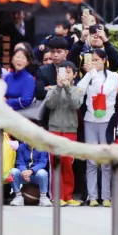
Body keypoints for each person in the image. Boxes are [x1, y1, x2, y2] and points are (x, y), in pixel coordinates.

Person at [77, 48, 118, 206]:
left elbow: (103, 91)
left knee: (106, 162)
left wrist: (92, 73)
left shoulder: (113, 76)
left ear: (104, 60)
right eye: (91, 60)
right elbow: (79, 91)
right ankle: (92, 196)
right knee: (92, 161)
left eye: (96, 60)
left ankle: (106, 196)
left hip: (107, 121)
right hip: (90, 120)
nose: (93, 63)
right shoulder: (90, 75)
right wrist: (88, 74)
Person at [45, 60, 84, 205]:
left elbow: (75, 104)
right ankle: (57, 196)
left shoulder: (78, 90)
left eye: (68, 72)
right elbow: (50, 104)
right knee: (56, 163)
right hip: (54, 129)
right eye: (62, 72)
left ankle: (68, 196)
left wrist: (67, 88)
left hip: (70, 130)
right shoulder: (52, 89)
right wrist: (58, 88)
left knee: (68, 163)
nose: (65, 75)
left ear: (74, 74)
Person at [9, 141, 51, 207]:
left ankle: (43, 197)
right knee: (13, 171)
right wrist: (24, 171)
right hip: (24, 175)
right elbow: (19, 162)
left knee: (42, 173)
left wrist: (31, 171)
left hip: (36, 175)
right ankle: (18, 197)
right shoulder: (21, 146)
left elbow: (42, 163)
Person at [3, 43, 36, 114]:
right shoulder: (8, 77)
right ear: (12, 60)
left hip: (20, 115)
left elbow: (26, 101)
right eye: (17, 57)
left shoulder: (29, 79)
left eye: (23, 58)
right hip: (5, 112)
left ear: (27, 62)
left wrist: (7, 102)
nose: (20, 60)